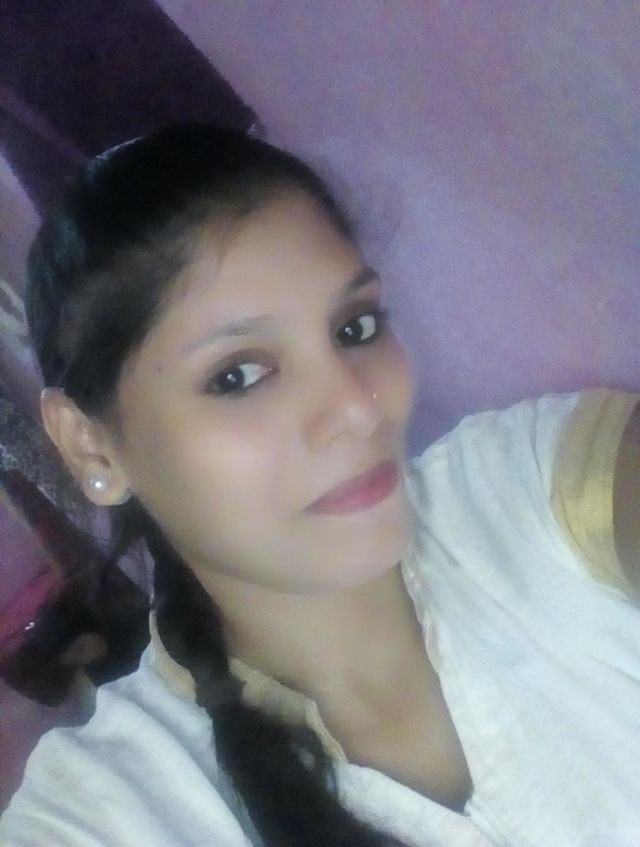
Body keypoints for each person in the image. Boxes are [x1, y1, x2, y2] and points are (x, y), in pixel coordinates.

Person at [1, 123, 639, 847]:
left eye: (355, 328)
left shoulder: (527, 487)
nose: (360, 407)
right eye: (238, 375)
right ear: (92, 444)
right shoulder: (110, 810)